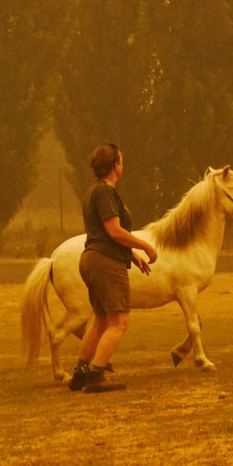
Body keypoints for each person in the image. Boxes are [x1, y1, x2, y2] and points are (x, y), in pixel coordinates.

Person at [69, 142, 158, 393]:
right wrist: (146, 247)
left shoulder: (94, 191)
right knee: (119, 321)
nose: (123, 165)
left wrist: (132, 255)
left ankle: (82, 372)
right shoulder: (106, 193)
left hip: (93, 259)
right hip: (105, 262)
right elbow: (114, 231)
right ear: (115, 165)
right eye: (121, 160)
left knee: (100, 320)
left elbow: (104, 234)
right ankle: (96, 376)